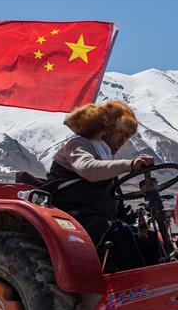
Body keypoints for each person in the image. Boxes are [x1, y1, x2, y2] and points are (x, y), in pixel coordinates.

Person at [47, 100, 156, 270]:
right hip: (73, 217)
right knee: (120, 233)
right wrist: (130, 164)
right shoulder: (78, 144)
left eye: (127, 136)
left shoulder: (105, 155)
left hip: (98, 217)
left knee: (147, 237)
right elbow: (88, 170)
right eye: (120, 133)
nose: (123, 140)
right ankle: (138, 286)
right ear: (107, 129)